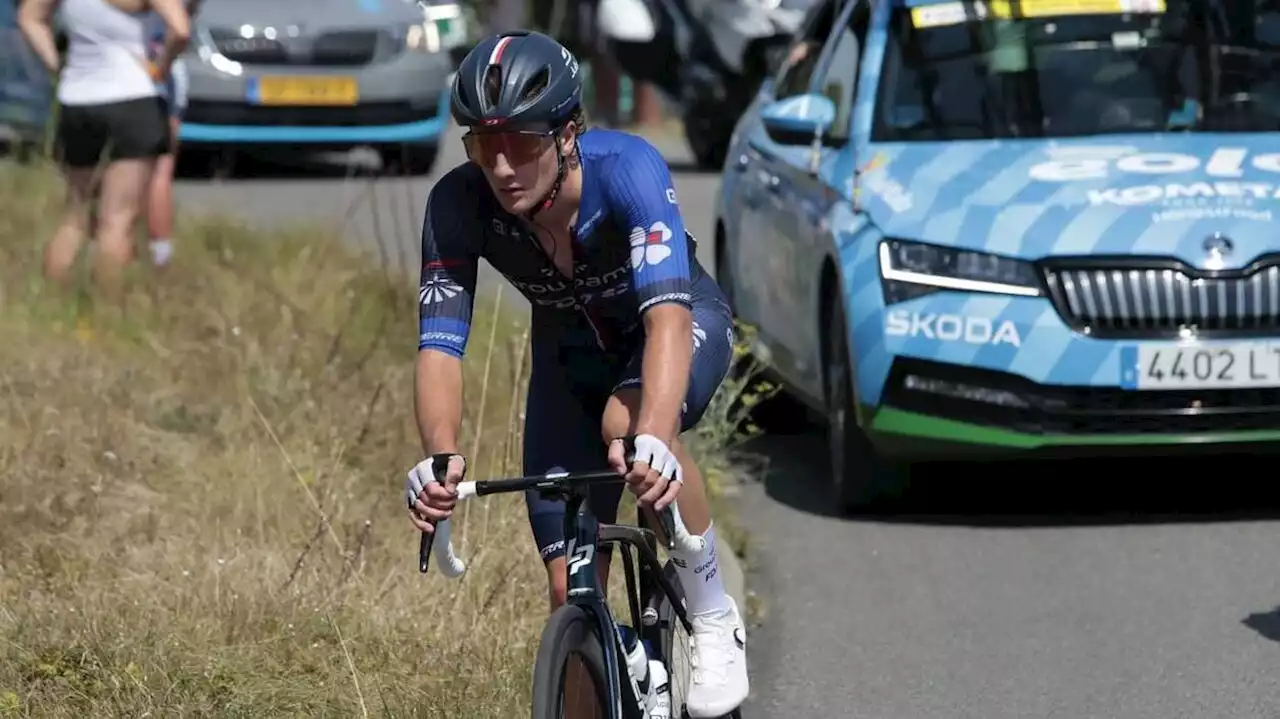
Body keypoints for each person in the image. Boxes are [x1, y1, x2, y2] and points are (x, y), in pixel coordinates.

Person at [404, 30, 748, 719]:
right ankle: (630, 661)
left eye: (522, 143)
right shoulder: (457, 204)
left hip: (678, 325)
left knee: (629, 429)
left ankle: (713, 613)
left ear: (569, 134)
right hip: (568, 360)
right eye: (482, 144)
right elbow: (440, 346)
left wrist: (654, 430)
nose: (501, 167)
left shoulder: (630, 170)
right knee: (568, 593)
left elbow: (668, 323)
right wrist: (439, 456)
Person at [17, 0, 190, 294]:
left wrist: (56, 65)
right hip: (132, 97)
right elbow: (181, 30)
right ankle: (109, 310)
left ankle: (53, 301)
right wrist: (161, 68)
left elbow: (29, 18)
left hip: (77, 100)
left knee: (76, 216)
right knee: (118, 221)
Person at [144, 0, 201, 269]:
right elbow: (185, 19)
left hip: (95, 73)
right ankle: (160, 257)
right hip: (158, 64)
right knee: (159, 172)